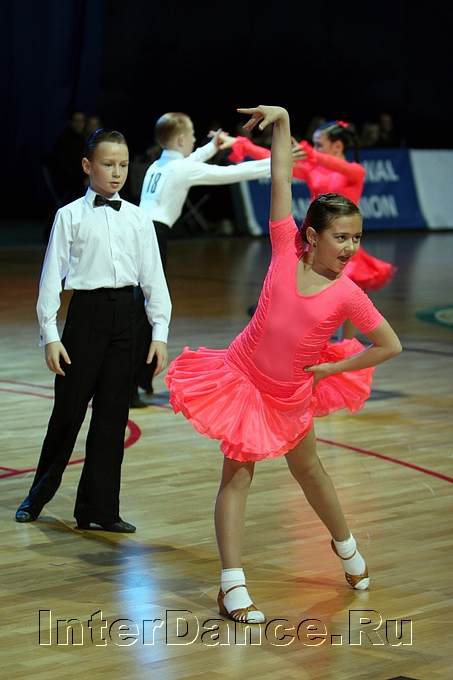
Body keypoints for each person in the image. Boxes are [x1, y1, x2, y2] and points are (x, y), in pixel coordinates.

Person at [165, 105, 402, 623]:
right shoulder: (282, 246)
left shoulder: (348, 294)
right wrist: (284, 121)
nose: (351, 248)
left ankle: (348, 550)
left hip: (292, 393)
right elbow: (279, 175)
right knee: (237, 475)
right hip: (242, 379)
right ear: (312, 236)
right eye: (342, 237)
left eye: (357, 238)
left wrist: (331, 371)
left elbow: (389, 345)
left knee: (310, 471)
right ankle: (232, 586)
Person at [15, 129, 171, 532]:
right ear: (87, 166)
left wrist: (159, 333)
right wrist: (50, 335)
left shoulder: (138, 218)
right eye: (108, 164)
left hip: (127, 318)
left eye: (123, 165)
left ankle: (98, 510)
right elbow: (51, 279)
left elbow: (154, 279)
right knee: (67, 412)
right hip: (86, 316)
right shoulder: (69, 216)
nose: (117, 172)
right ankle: (37, 497)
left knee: (112, 417)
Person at [131, 112, 272, 406]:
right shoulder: (179, 168)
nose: (195, 139)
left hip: (141, 234)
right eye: (193, 134)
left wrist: (212, 146)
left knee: (145, 307)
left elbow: (191, 160)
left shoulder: (160, 165)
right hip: (153, 236)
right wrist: (278, 162)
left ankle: (141, 377)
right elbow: (230, 174)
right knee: (145, 310)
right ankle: (130, 385)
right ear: (181, 139)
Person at [220, 119, 397, 339]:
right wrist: (240, 144)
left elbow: (337, 165)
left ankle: (345, 346)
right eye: (314, 145)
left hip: (342, 245)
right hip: (317, 245)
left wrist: (311, 154)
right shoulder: (314, 170)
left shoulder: (354, 172)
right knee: (304, 295)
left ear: (338, 146)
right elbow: (276, 159)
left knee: (347, 301)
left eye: (319, 145)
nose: (315, 149)